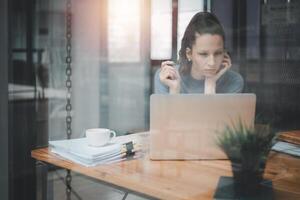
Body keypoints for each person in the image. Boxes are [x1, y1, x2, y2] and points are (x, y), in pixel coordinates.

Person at [154, 12, 244, 94]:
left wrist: (210, 84)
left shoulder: (234, 81)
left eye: (217, 53)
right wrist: (174, 89)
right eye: (203, 54)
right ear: (189, 54)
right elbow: (168, 113)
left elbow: (212, 113)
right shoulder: (168, 77)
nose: (212, 63)